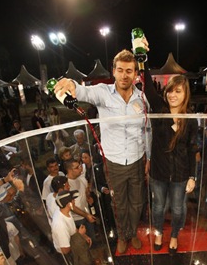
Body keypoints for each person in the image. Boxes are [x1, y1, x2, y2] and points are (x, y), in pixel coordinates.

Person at [53, 48, 151, 254]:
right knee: (119, 204)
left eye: (129, 71)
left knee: (137, 202)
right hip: (113, 163)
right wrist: (70, 85)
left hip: (137, 160)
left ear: (135, 74)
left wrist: (148, 157)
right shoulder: (102, 92)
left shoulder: (142, 98)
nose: (125, 75)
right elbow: (82, 91)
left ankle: (132, 232)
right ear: (113, 71)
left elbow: (148, 129)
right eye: (121, 70)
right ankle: (123, 236)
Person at [143, 67, 197, 253]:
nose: (173, 95)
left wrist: (192, 176)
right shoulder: (159, 110)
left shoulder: (190, 119)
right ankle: (159, 233)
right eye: (170, 90)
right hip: (158, 172)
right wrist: (143, 58)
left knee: (178, 209)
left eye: (178, 91)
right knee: (158, 207)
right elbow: (148, 86)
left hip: (181, 175)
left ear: (185, 94)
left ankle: (174, 235)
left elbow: (192, 149)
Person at [51, 190, 94, 265]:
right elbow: (65, 250)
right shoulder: (60, 225)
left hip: (74, 249)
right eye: (72, 200)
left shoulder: (65, 211)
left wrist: (83, 236)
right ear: (68, 204)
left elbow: (72, 229)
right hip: (69, 258)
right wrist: (79, 236)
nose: (74, 202)